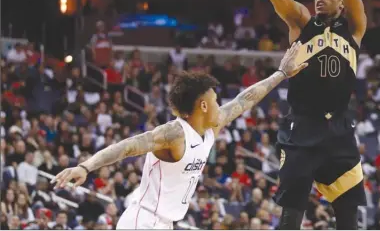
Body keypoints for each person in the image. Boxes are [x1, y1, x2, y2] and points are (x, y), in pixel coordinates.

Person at [51, 43, 308, 229]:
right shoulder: (174, 133)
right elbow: (127, 147)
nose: (221, 105)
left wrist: (281, 74)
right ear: (203, 106)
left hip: (166, 223)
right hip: (143, 221)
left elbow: (245, 99)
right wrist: (86, 166)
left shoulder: (210, 129)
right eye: (216, 100)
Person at [267, 0, 367, 230]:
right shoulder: (302, 23)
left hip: (339, 131)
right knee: (291, 216)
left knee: (348, 219)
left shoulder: (353, 28)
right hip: (302, 129)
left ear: (341, 3)